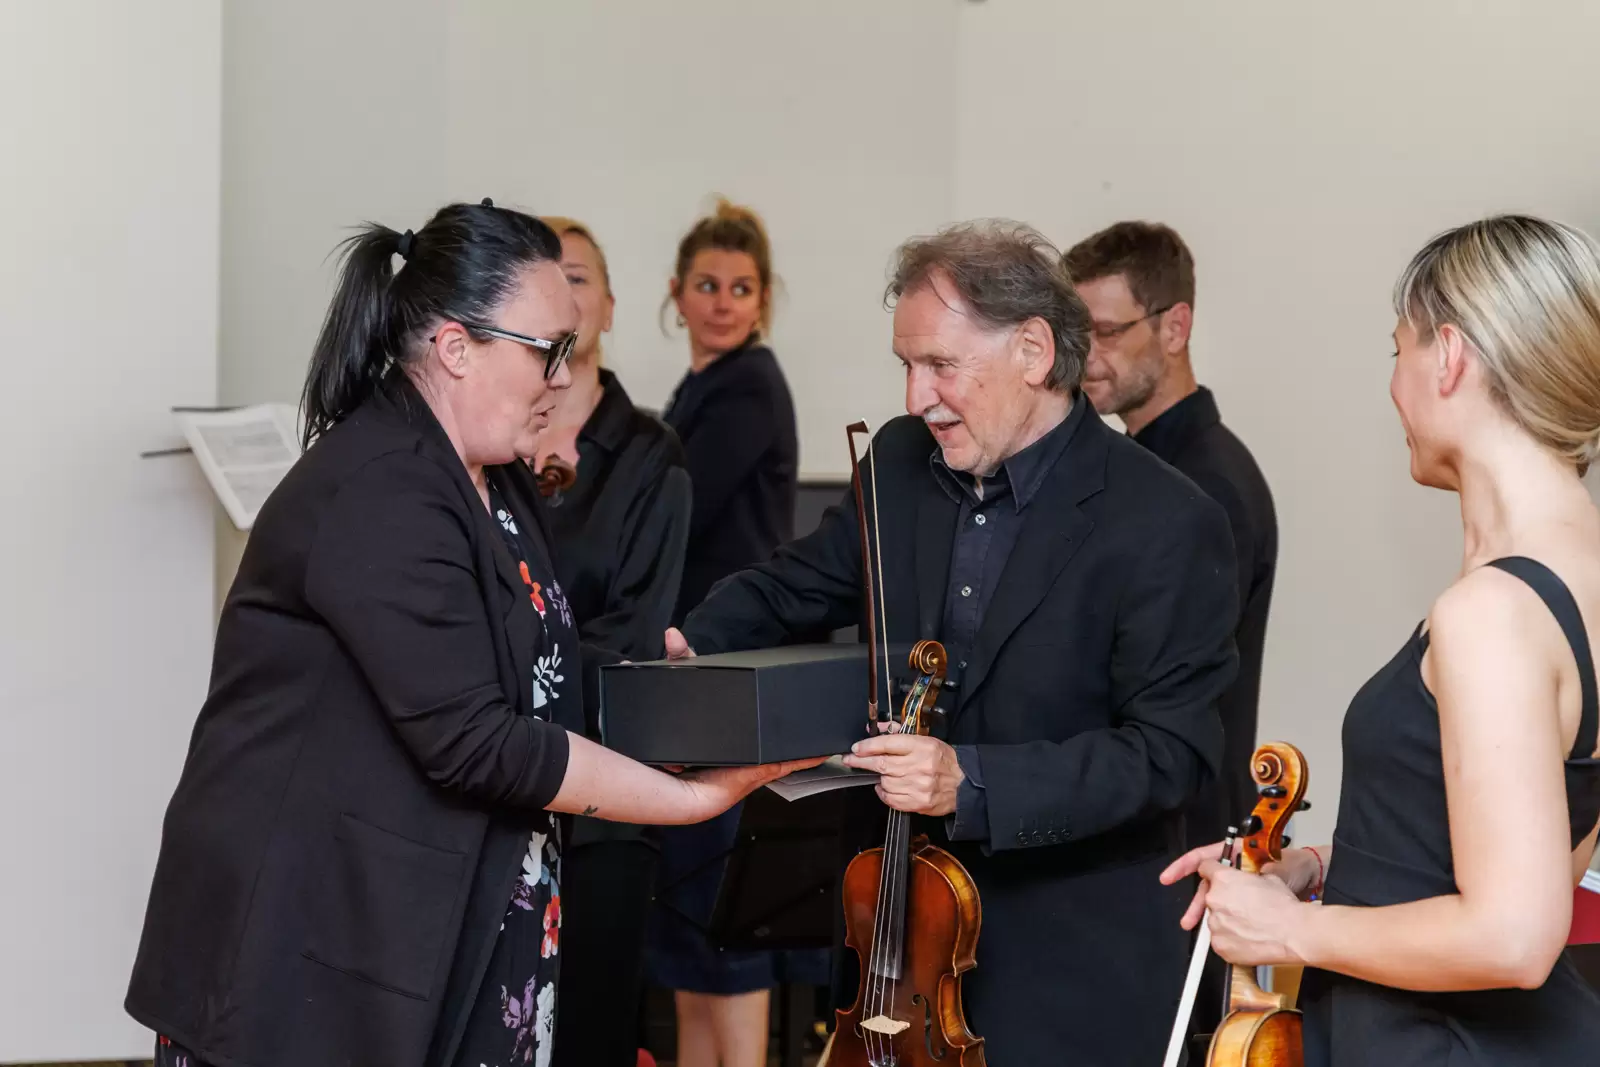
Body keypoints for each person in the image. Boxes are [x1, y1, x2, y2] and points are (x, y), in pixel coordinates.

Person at [123, 200, 816, 1067]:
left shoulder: (493, 477)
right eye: (546, 350)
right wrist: (687, 800)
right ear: (456, 347)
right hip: (306, 944)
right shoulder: (383, 486)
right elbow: (476, 738)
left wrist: (676, 710)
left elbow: (543, 673)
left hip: (435, 920)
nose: (562, 377)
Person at [663, 219, 1242, 1064]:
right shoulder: (900, 462)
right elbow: (796, 584)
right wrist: (685, 647)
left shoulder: (1167, 520)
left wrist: (971, 781)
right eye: (906, 365)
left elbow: (1168, 754)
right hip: (902, 945)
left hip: (1072, 967)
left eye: (940, 364)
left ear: (1034, 351)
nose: (915, 397)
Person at [1164, 214, 1600, 1066]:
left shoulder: (1493, 611)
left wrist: (1293, 929)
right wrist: (1323, 864)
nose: (1394, 387)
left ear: (1449, 355)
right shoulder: (1575, 575)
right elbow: (1535, 845)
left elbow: (1514, 935)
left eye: (1397, 350)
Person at [1064, 220, 1278, 1055]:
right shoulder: (1153, 471)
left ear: (1175, 326)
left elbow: (1152, 698)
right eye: (1076, 333)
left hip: (1176, 849)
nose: (1085, 358)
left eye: (1106, 331)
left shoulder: (1202, 487)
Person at [644, 197, 805, 1067]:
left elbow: (679, 507)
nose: (722, 302)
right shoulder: (698, 386)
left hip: (731, 676)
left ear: (763, 299)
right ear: (676, 292)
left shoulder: (749, 384)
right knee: (692, 923)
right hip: (700, 673)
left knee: (726, 918)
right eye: (707, 284)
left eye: (741, 287)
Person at [531, 216, 693, 1067]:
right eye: (547, 275)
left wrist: (509, 678)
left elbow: (634, 635)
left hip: (603, 800)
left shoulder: (649, 454)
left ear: (610, 305)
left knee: (592, 1036)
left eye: (579, 275)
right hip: (500, 796)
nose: (563, 291)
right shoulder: (495, 440)